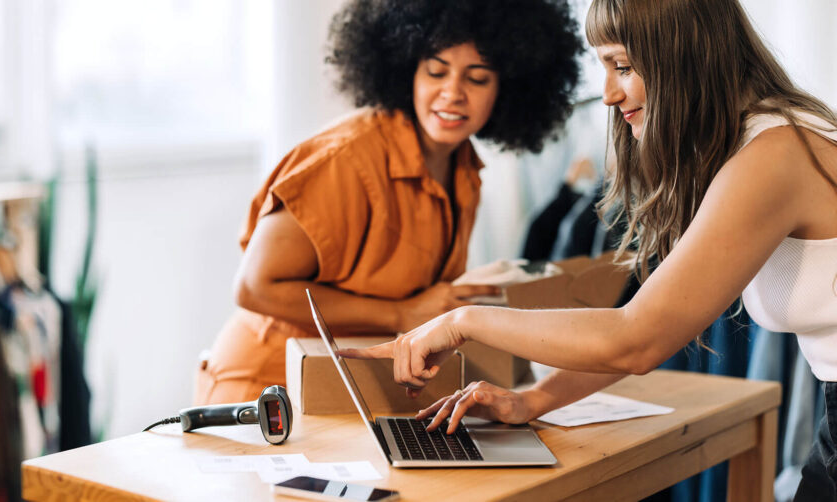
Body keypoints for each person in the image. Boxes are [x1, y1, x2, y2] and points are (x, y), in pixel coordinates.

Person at [340, 0, 837, 498]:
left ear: (685, 55)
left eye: (622, 66)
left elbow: (638, 339)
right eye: (603, 67)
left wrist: (461, 321)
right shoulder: (760, 142)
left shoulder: (773, 156)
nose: (607, 94)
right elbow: (645, 323)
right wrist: (532, 400)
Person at [193, 0, 584, 406]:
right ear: (407, 70)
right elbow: (255, 287)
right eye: (436, 71)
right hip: (265, 391)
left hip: (349, 393)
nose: (453, 93)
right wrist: (401, 313)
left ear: (507, 88)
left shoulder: (464, 168)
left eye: (478, 78)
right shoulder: (345, 159)